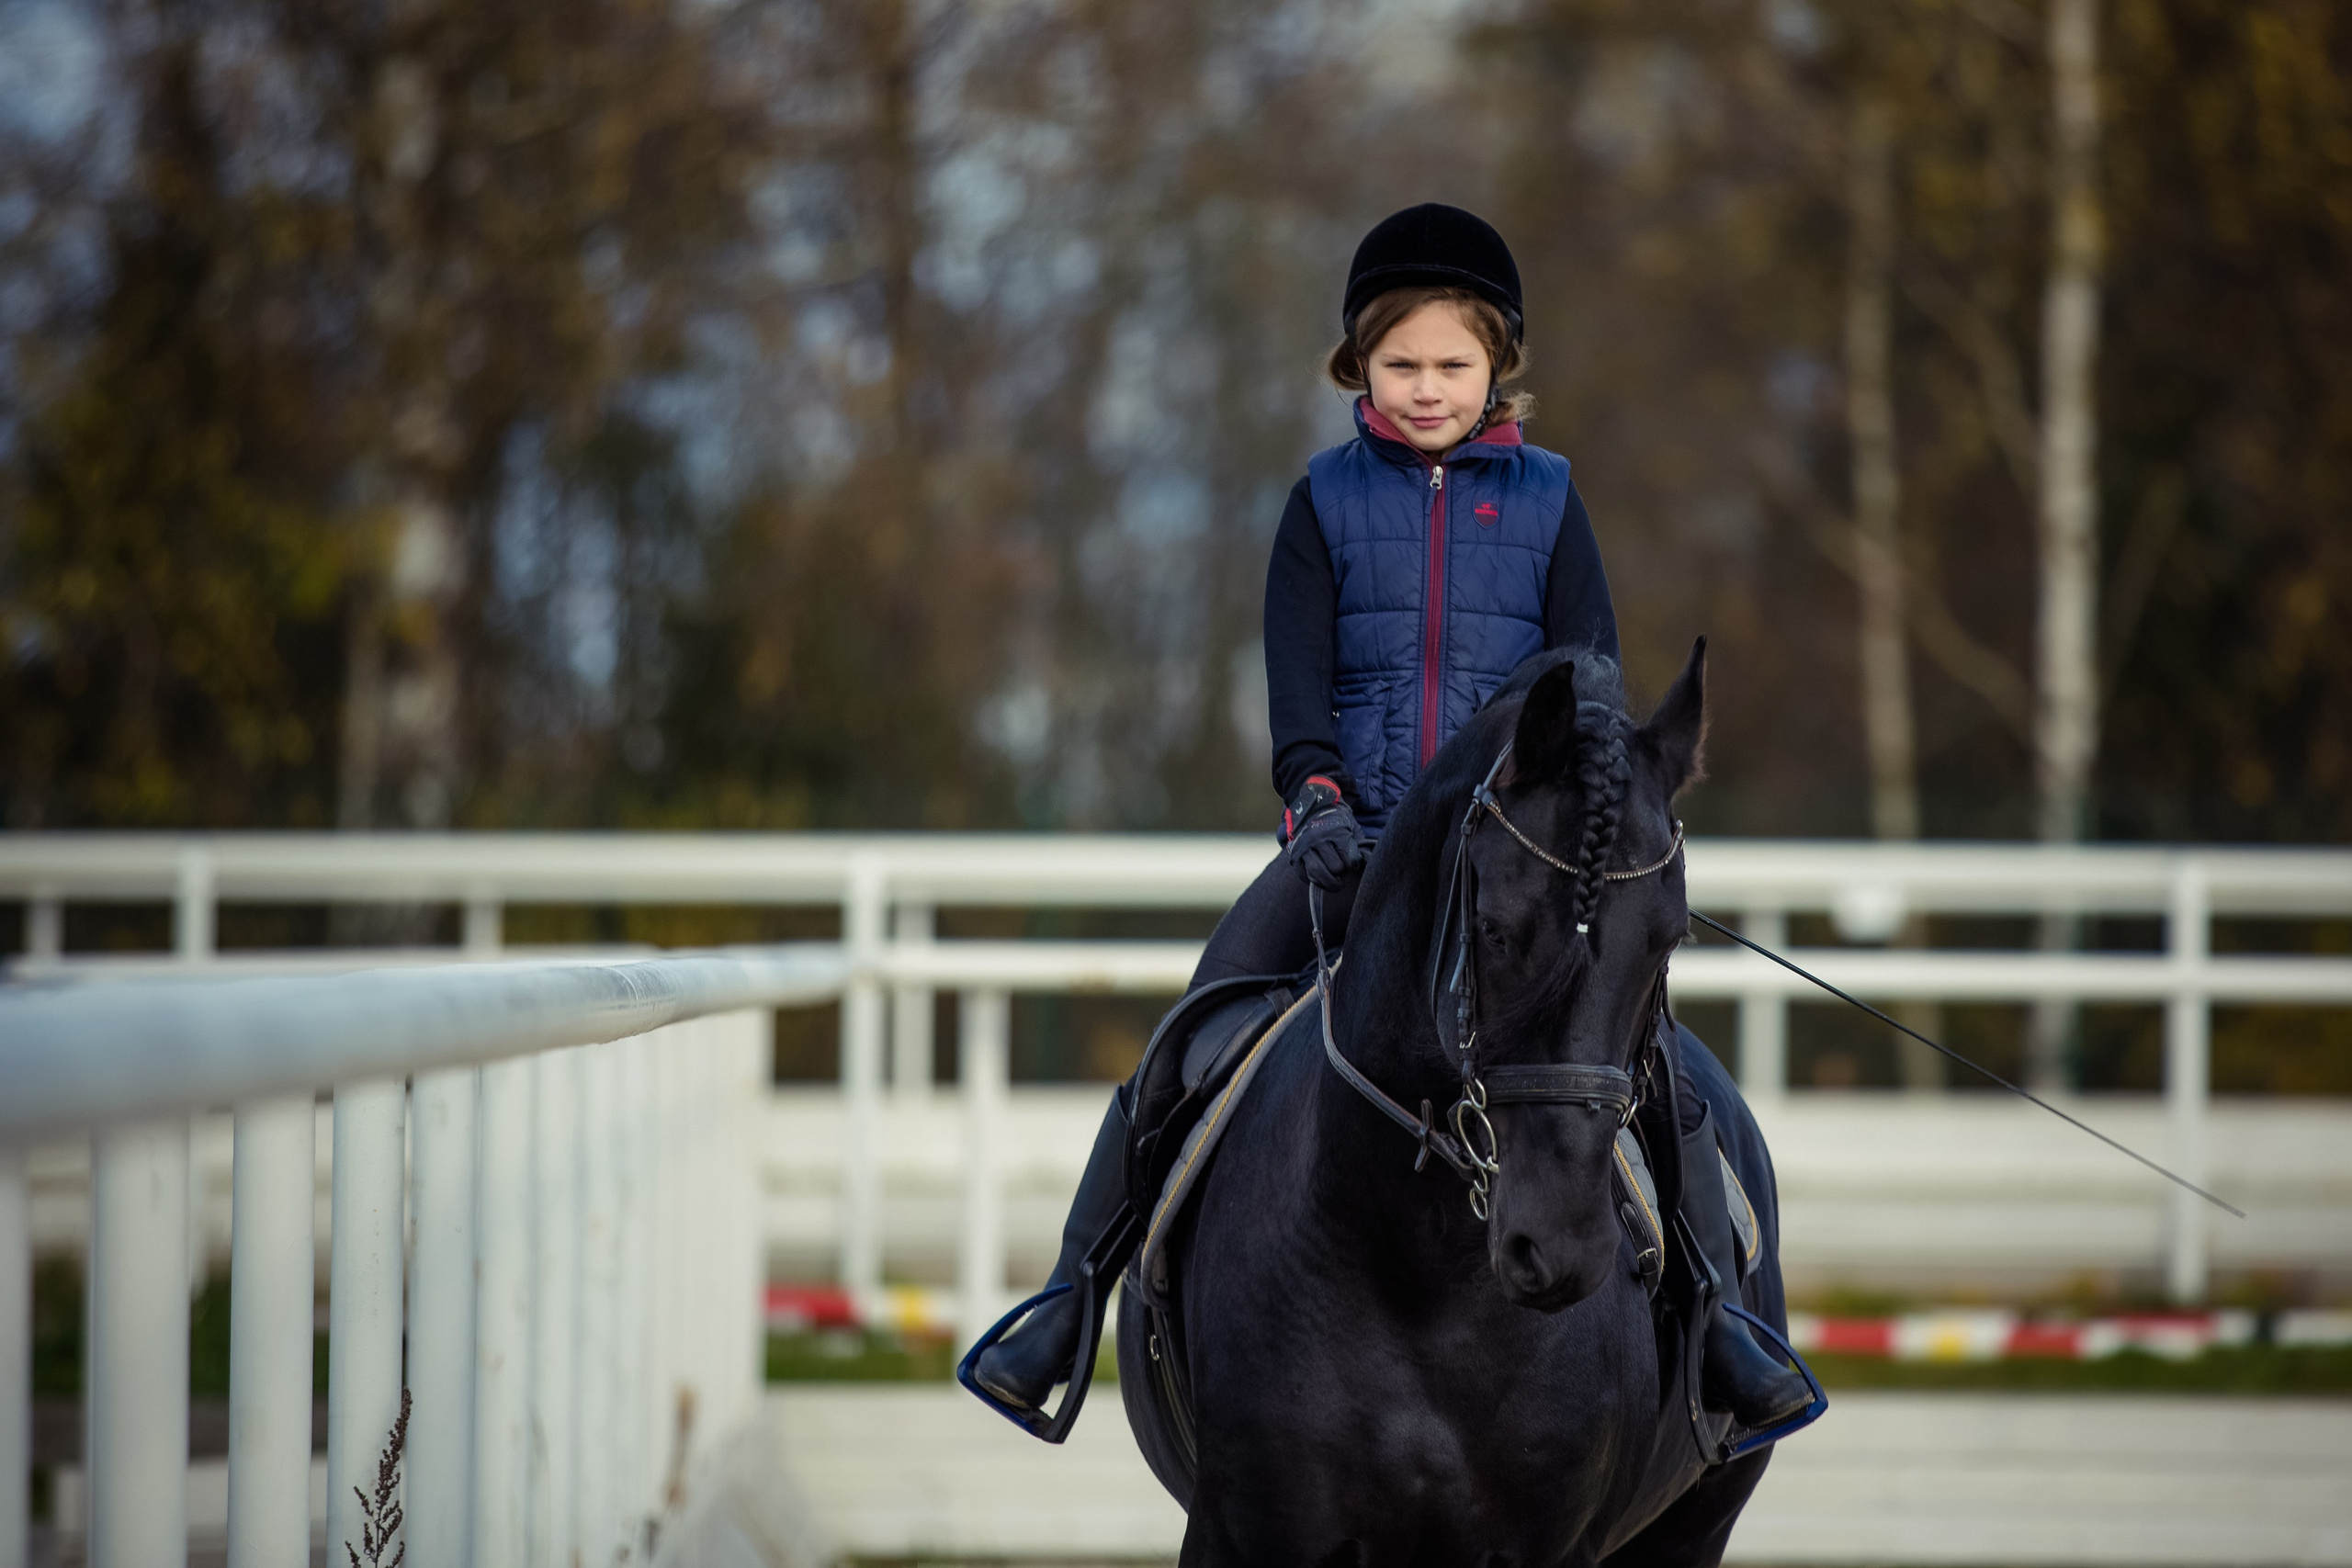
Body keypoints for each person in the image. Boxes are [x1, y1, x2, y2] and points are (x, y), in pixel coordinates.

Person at [974, 204, 1810, 1430]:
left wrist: (1571, 832)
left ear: (1499, 368)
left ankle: (1716, 1324)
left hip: (1516, 867)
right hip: (1355, 849)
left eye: (1452, 366)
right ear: (1358, 365)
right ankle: (1069, 1299)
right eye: (1402, 364)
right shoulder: (1319, 502)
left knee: (1656, 1070)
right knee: (1188, 1037)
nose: (1427, 390)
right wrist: (1313, 798)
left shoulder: (1551, 502)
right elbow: (1298, 677)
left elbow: (1588, 685)